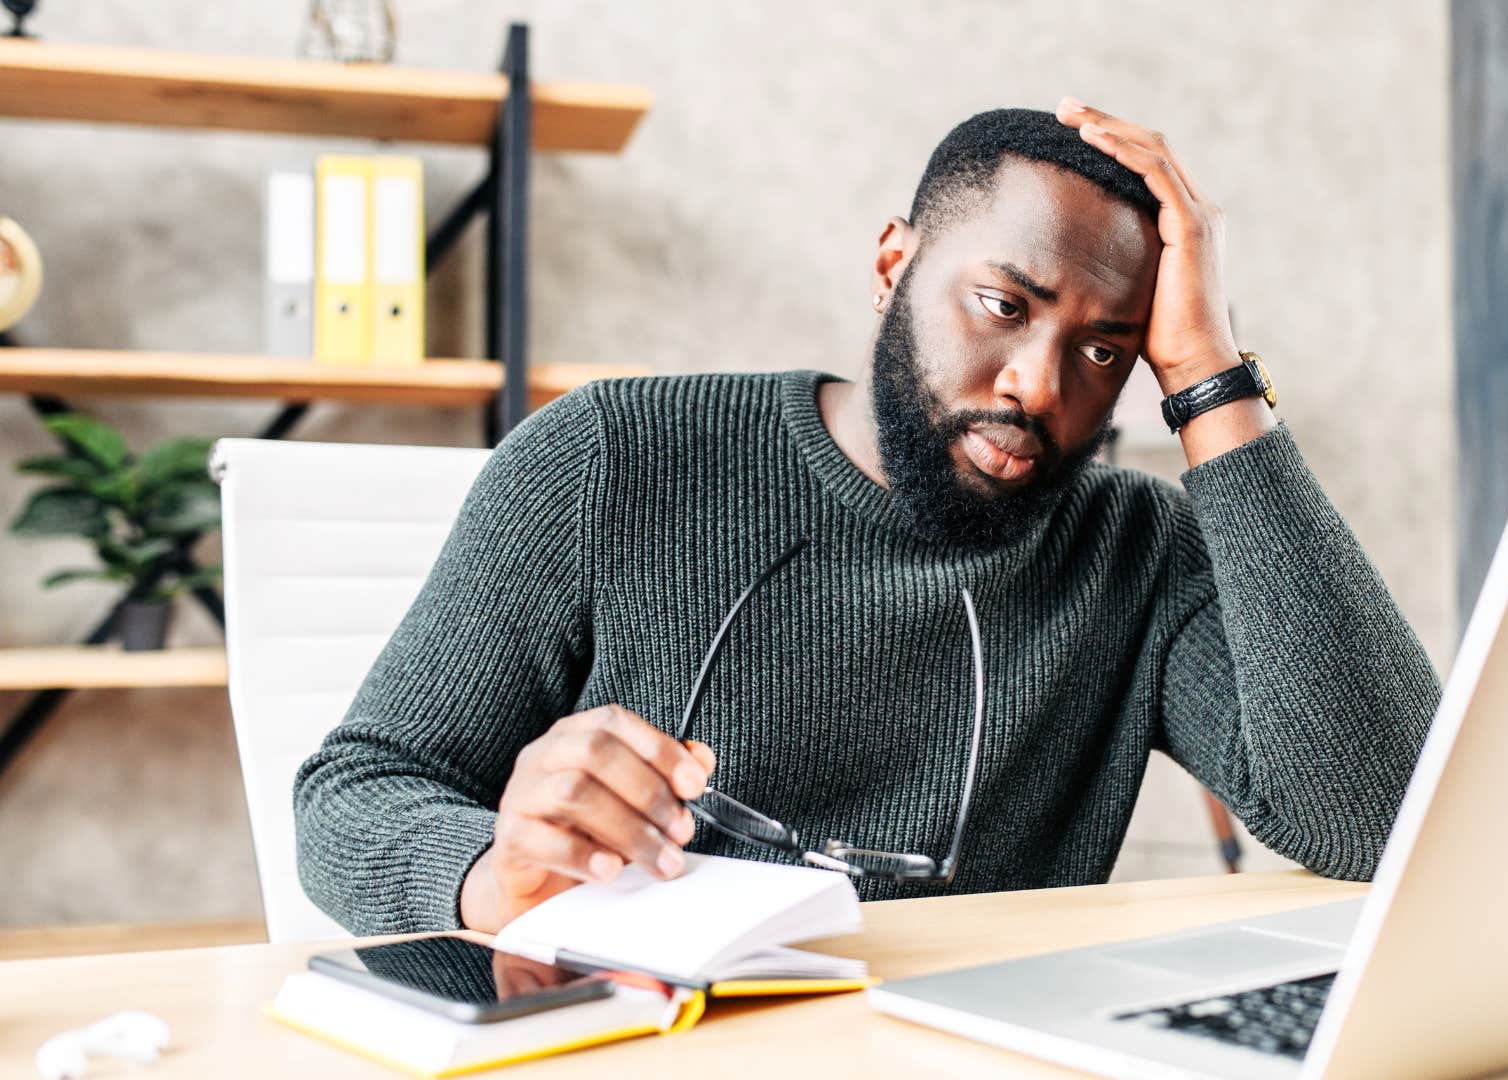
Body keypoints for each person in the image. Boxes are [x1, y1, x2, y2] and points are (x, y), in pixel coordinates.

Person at [294, 101, 1442, 936]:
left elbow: (1385, 817)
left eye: (1105, 348)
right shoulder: (613, 456)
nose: (1040, 386)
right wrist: (500, 874)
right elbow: (355, 797)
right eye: (1003, 305)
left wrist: (1210, 376)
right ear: (894, 264)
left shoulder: (1137, 550)